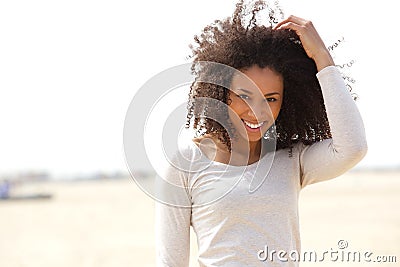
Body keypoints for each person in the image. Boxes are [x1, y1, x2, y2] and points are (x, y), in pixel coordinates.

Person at [155, 1, 368, 266]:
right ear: (221, 93)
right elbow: (170, 262)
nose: (258, 112)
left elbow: (353, 147)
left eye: (271, 99)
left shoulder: (291, 159)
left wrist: (323, 59)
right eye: (245, 95)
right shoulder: (185, 166)